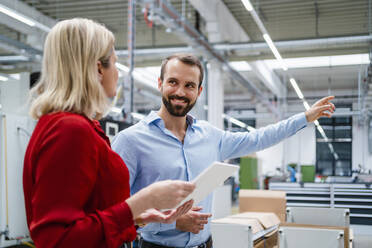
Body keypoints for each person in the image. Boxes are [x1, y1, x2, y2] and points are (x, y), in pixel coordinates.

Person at [112, 53, 335, 248]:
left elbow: (258, 138)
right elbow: (114, 212)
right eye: (173, 82)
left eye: (189, 85)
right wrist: (170, 220)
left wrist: (304, 118)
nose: (180, 92)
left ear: (199, 91)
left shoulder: (211, 137)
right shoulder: (131, 141)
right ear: (160, 83)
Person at [23, 19, 196, 248]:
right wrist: (144, 200)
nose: (117, 72)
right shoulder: (69, 130)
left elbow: (91, 210)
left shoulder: (79, 126)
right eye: (115, 63)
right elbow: (57, 239)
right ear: (97, 69)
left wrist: (136, 216)